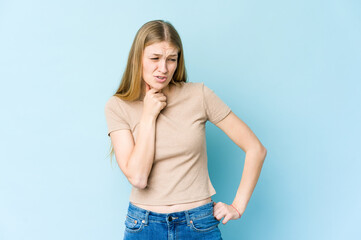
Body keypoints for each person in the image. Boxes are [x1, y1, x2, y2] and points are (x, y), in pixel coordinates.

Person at [104, 19, 267, 240]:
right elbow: (139, 178)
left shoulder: (198, 95)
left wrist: (237, 206)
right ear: (137, 58)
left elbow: (256, 149)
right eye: (154, 58)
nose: (163, 68)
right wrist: (149, 115)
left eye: (171, 59)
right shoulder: (118, 106)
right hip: (143, 225)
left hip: (198, 223)